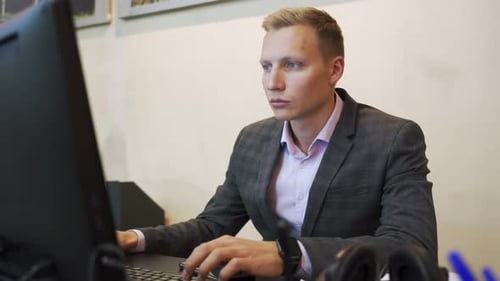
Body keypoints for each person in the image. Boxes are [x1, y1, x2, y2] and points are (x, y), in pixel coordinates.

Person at [117, 6, 437, 281]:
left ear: (334, 69)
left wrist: (290, 255)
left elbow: (411, 245)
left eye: (292, 65)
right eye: (266, 67)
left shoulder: (393, 138)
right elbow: (212, 225)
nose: (273, 83)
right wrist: (135, 238)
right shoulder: (252, 139)